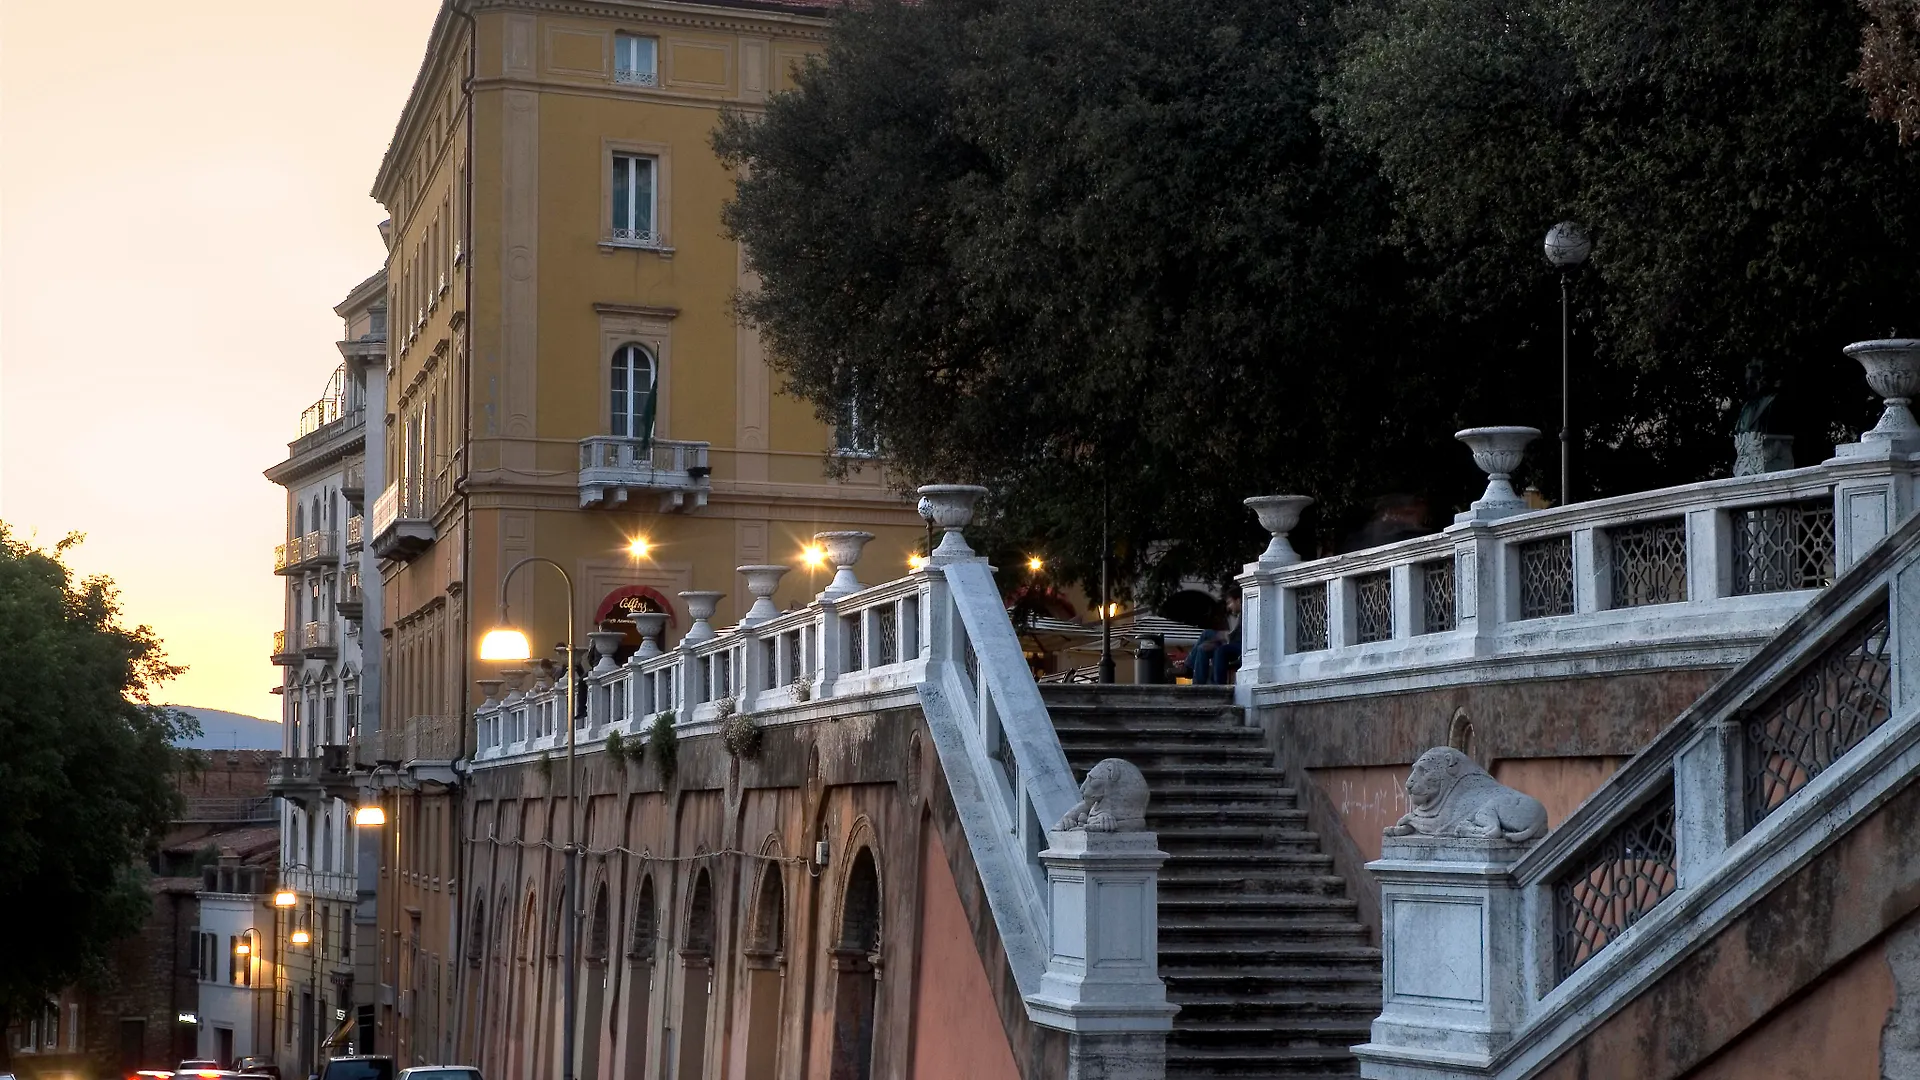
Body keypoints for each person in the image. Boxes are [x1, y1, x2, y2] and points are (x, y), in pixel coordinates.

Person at [1190, 593, 1241, 685]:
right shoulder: (1240, 615)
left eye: (1230, 603)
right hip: (1232, 642)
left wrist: (1222, 637)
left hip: (1239, 645)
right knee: (1202, 648)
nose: (1228, 607)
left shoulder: (1247, 612)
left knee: (1208, 636)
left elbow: (1237, 636)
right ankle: (1198, 684)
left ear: (1238, 600)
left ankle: (1188, 666)